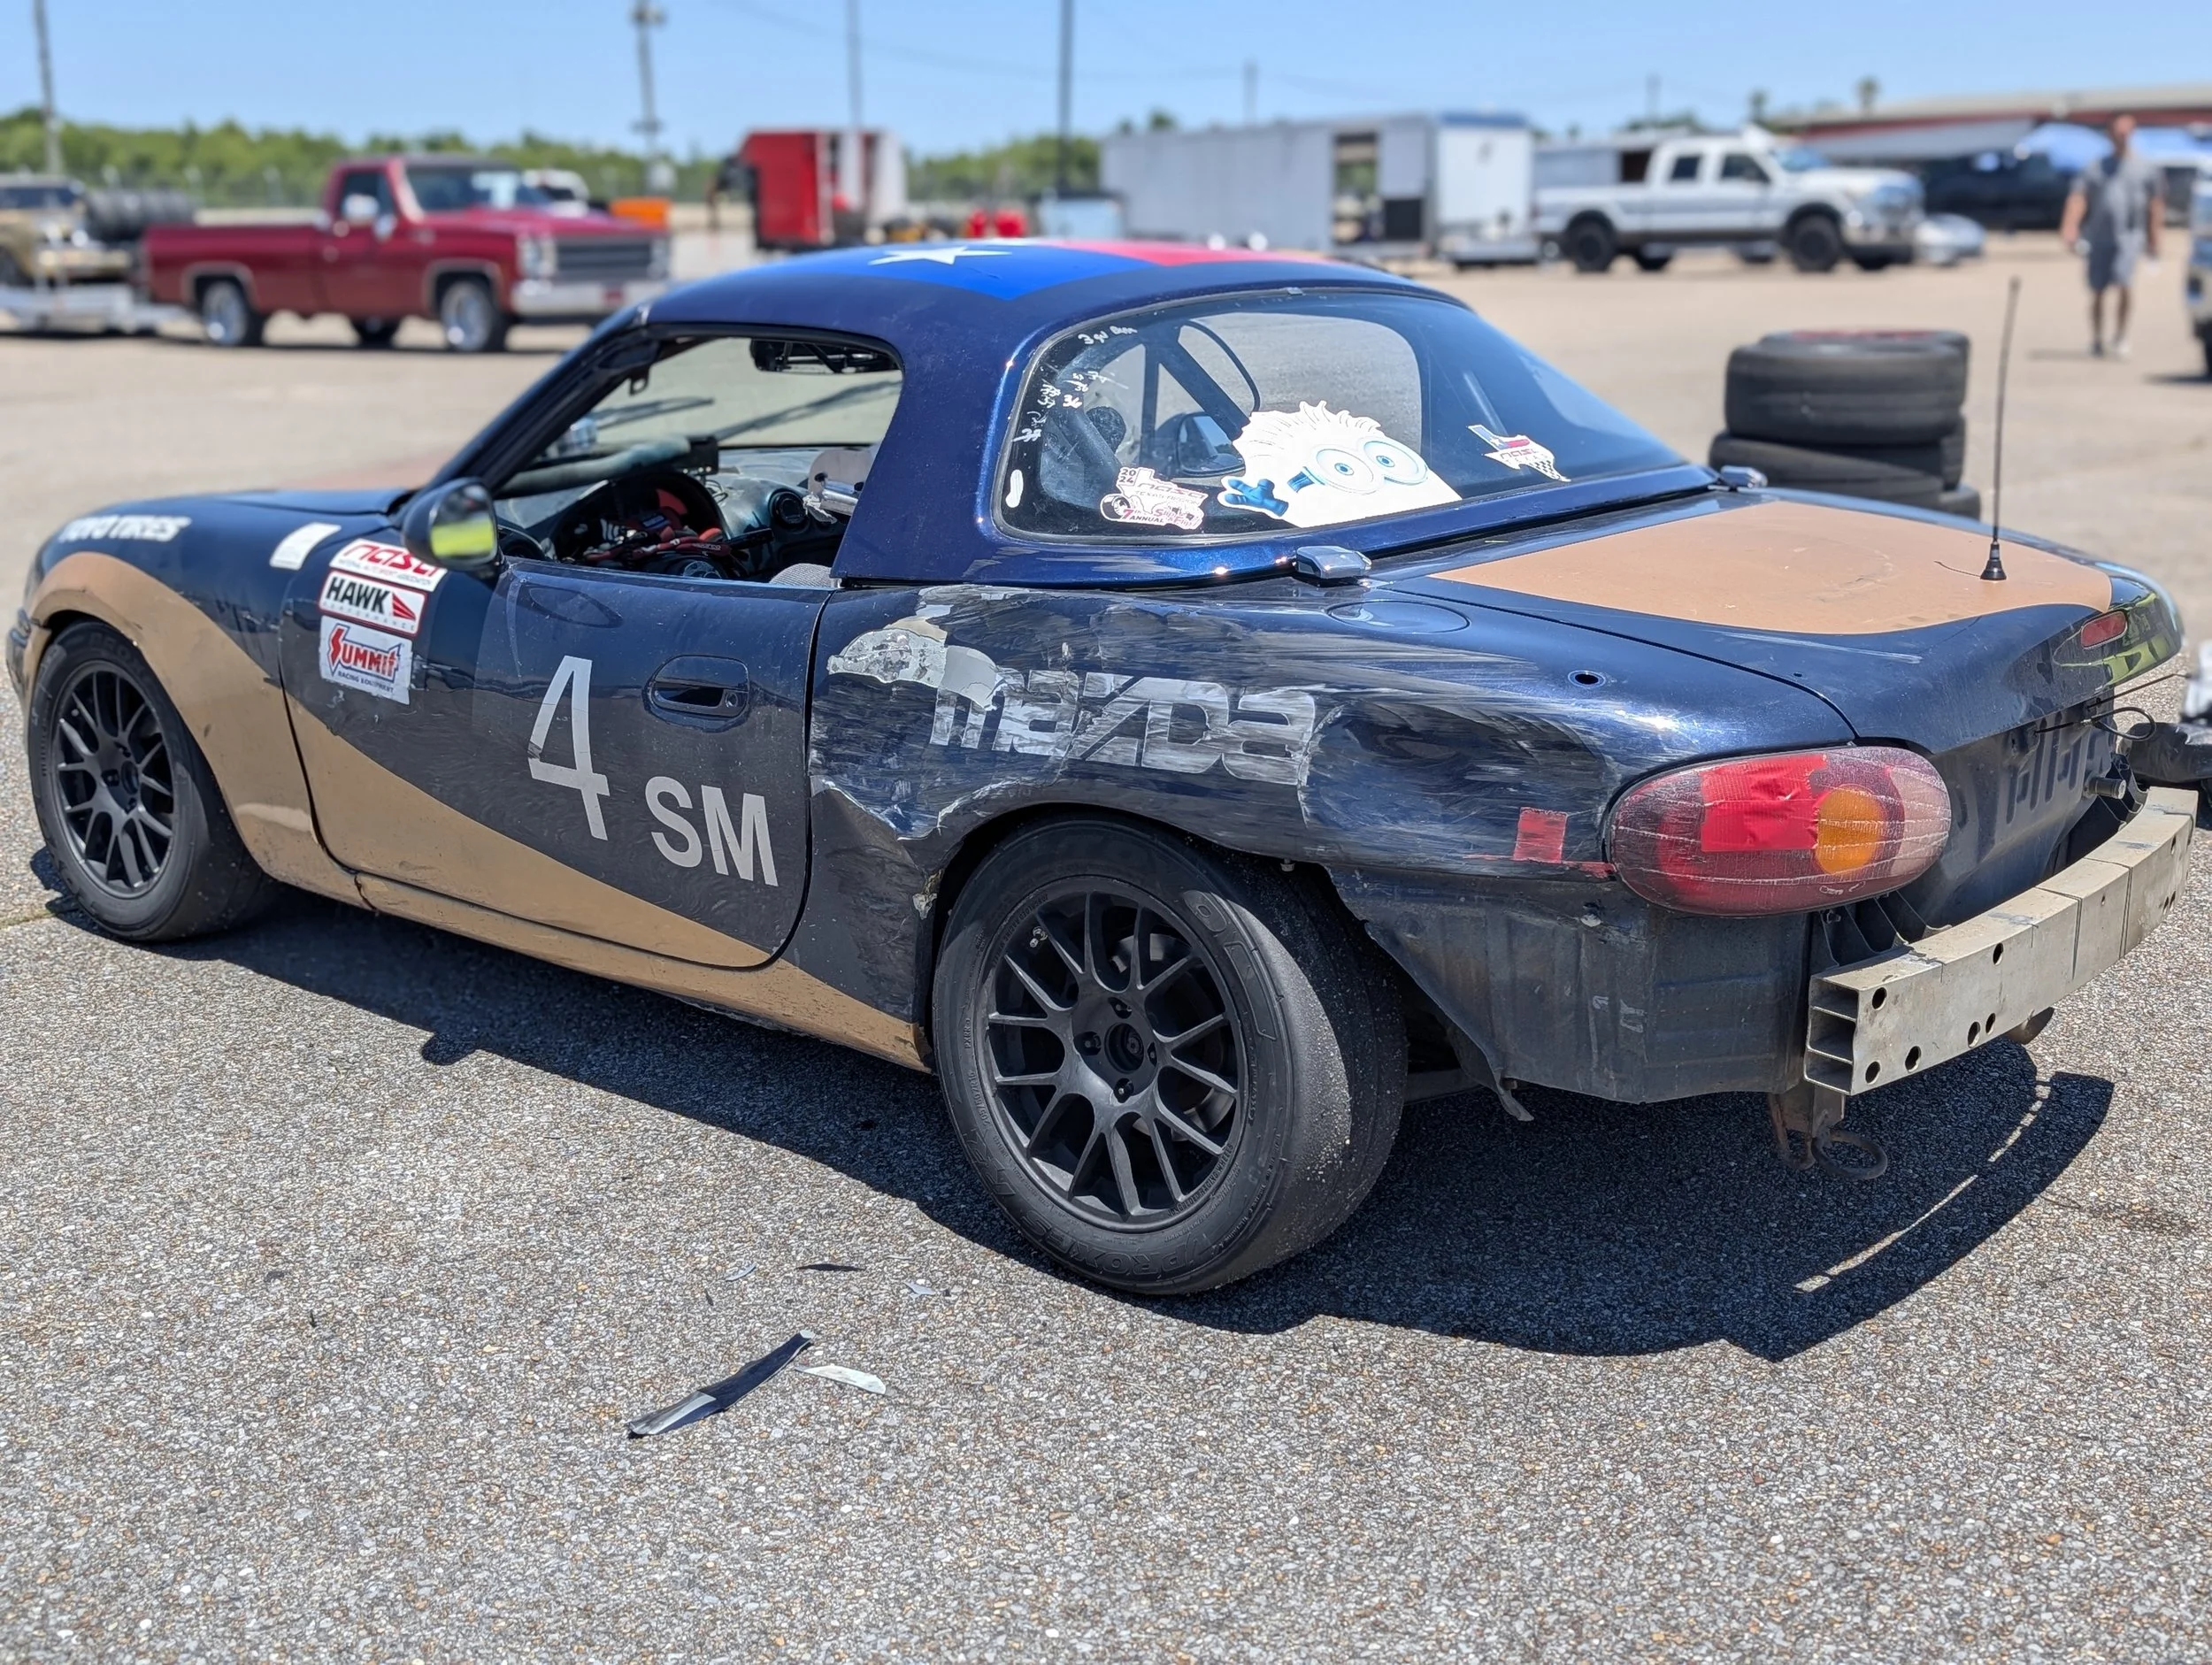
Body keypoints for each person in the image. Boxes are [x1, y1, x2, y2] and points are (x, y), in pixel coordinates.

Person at [2058, 115, 2164, 359]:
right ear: (2109, 134)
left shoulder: (2146, 168)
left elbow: (2155, 205)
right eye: (2118, 132)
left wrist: (2155, 238)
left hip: (2130, 236)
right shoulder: (2094, 167)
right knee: (2097, 289)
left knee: (2125, 284)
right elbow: (2078, 198)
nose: (2122, 137)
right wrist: (2070, 227)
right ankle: (2096, 338)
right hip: (2099, 237)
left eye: (2126, 132)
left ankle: (2120, 336)